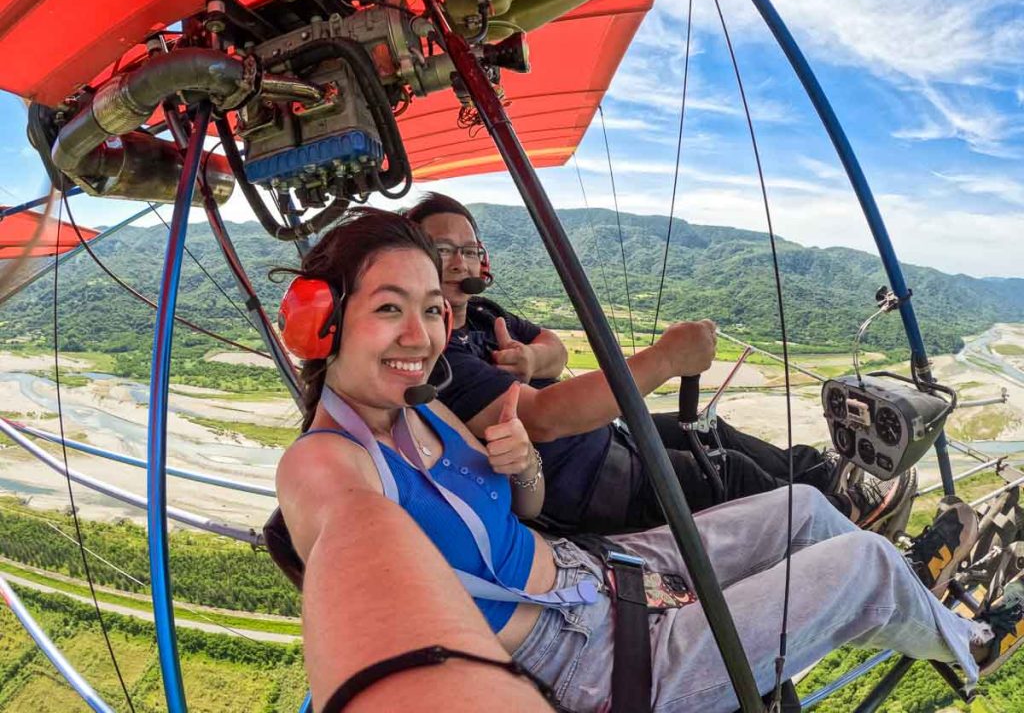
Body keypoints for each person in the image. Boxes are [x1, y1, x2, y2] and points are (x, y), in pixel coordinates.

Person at [275, 208, 1023, 713]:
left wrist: (522, 464)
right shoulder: (325, 465)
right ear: (322, 321)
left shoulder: (423, 407)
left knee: (803, 508)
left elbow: (525, 505)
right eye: (387, 308)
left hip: (595, 569)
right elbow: (361, 564)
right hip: (585, 654)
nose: (421, 335)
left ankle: (908, 609)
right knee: (864, 564)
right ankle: (967, 645)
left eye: (433, 308)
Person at [405, 193, 916, 534]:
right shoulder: (439, 357)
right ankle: (851, 521)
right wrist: (667, 357)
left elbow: (553, 347)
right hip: (587, 488)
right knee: (728, 471)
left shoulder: (483, 319)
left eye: (468, 250)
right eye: (441, 250)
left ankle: (827, 478)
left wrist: (532, 355)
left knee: (712, 430)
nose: (459, 263)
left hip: (605, 443)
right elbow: (544, 416)